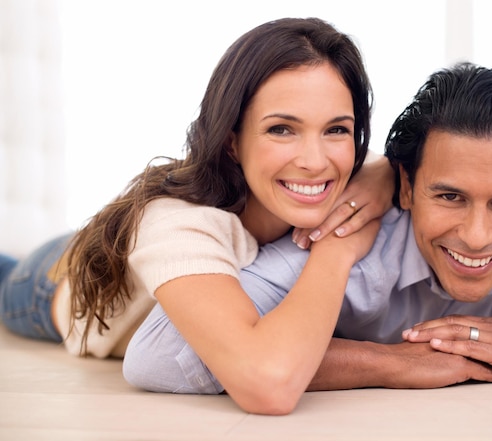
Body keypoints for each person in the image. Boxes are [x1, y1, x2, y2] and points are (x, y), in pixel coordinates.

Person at [124, 62, 492, 407]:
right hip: (96, 293)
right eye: (449, 197)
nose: (476, 237)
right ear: (404, 187)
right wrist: (388, 363)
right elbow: (160, 359)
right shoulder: (348, 233)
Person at [0, 17, 395, 413]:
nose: (315, 161)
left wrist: (387, 174)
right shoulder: (177, 223)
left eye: (337, 130)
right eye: (281, 130)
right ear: (231, 141)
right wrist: (338, 250)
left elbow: (387, 166)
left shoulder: (356, 175)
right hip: (53, 284)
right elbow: (267, 383)